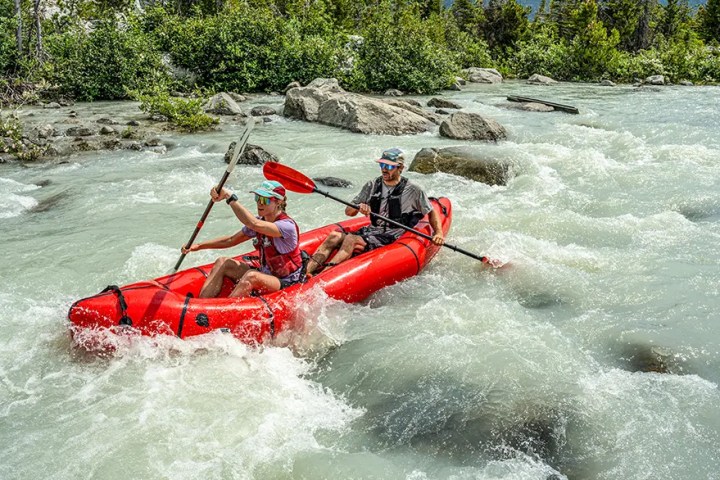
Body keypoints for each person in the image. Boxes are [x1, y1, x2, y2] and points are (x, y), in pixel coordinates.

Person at [306, 147, 444, 276]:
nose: (384, 169)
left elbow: (430, 212)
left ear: (400, 168)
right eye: (382, 165)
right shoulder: (372, 185)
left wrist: (438, 232)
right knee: (333, 236)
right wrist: (359, 207)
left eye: (389, 166)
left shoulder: (413, 190)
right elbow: (348, 212)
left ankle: (324, 275)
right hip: (372, 230)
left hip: (391, 236)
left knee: (350, 239)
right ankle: (306, 273)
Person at [181, 180, 304, 298]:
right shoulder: (261, 221)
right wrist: (198, 246)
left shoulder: (287, 226)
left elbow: (253, 224)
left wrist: (229, 198)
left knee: (251, 276)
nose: (259, 203)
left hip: (286, 281)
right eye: (257, 198)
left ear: (278, 202)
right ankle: (201, 305)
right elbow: (231, 240)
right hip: (266, 272)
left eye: (264, 200)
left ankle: (224, 312)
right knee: (222, 262)